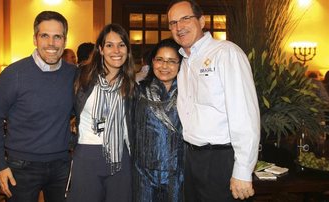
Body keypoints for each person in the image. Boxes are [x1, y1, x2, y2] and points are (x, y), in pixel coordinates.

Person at [167, 0, 260, 201]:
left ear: (201, 21)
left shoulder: (227, 53)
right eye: (173, 23)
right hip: (192, 159)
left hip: (220, 159)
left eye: (185, 19)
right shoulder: (184, 62)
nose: (178, 27)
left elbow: (245, 114)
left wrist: (243, 171)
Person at [0, 11, 75, 202]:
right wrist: (0, 166)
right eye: (44, 36)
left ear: (64, 41)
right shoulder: (13, 74)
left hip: (62, 166)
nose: (51, 43)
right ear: (35, 39)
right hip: (20, 168)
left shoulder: (73, 75)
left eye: (57, 36)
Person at [66, 23, 136, 202]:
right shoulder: (82, 77)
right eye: (109, 45)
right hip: (87, 154)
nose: (116, 50)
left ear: (127, 50)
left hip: (121, 156)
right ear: (101, 49)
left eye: (121, 45)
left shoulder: (132, 85)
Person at [132, 38, 184, 202]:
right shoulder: (138, 92)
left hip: (177, 174)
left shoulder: (188, 93)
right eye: (159, 60)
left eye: (171, 61)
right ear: (152, 61)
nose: (164, 66)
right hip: (143, 173)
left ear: (180, 64)